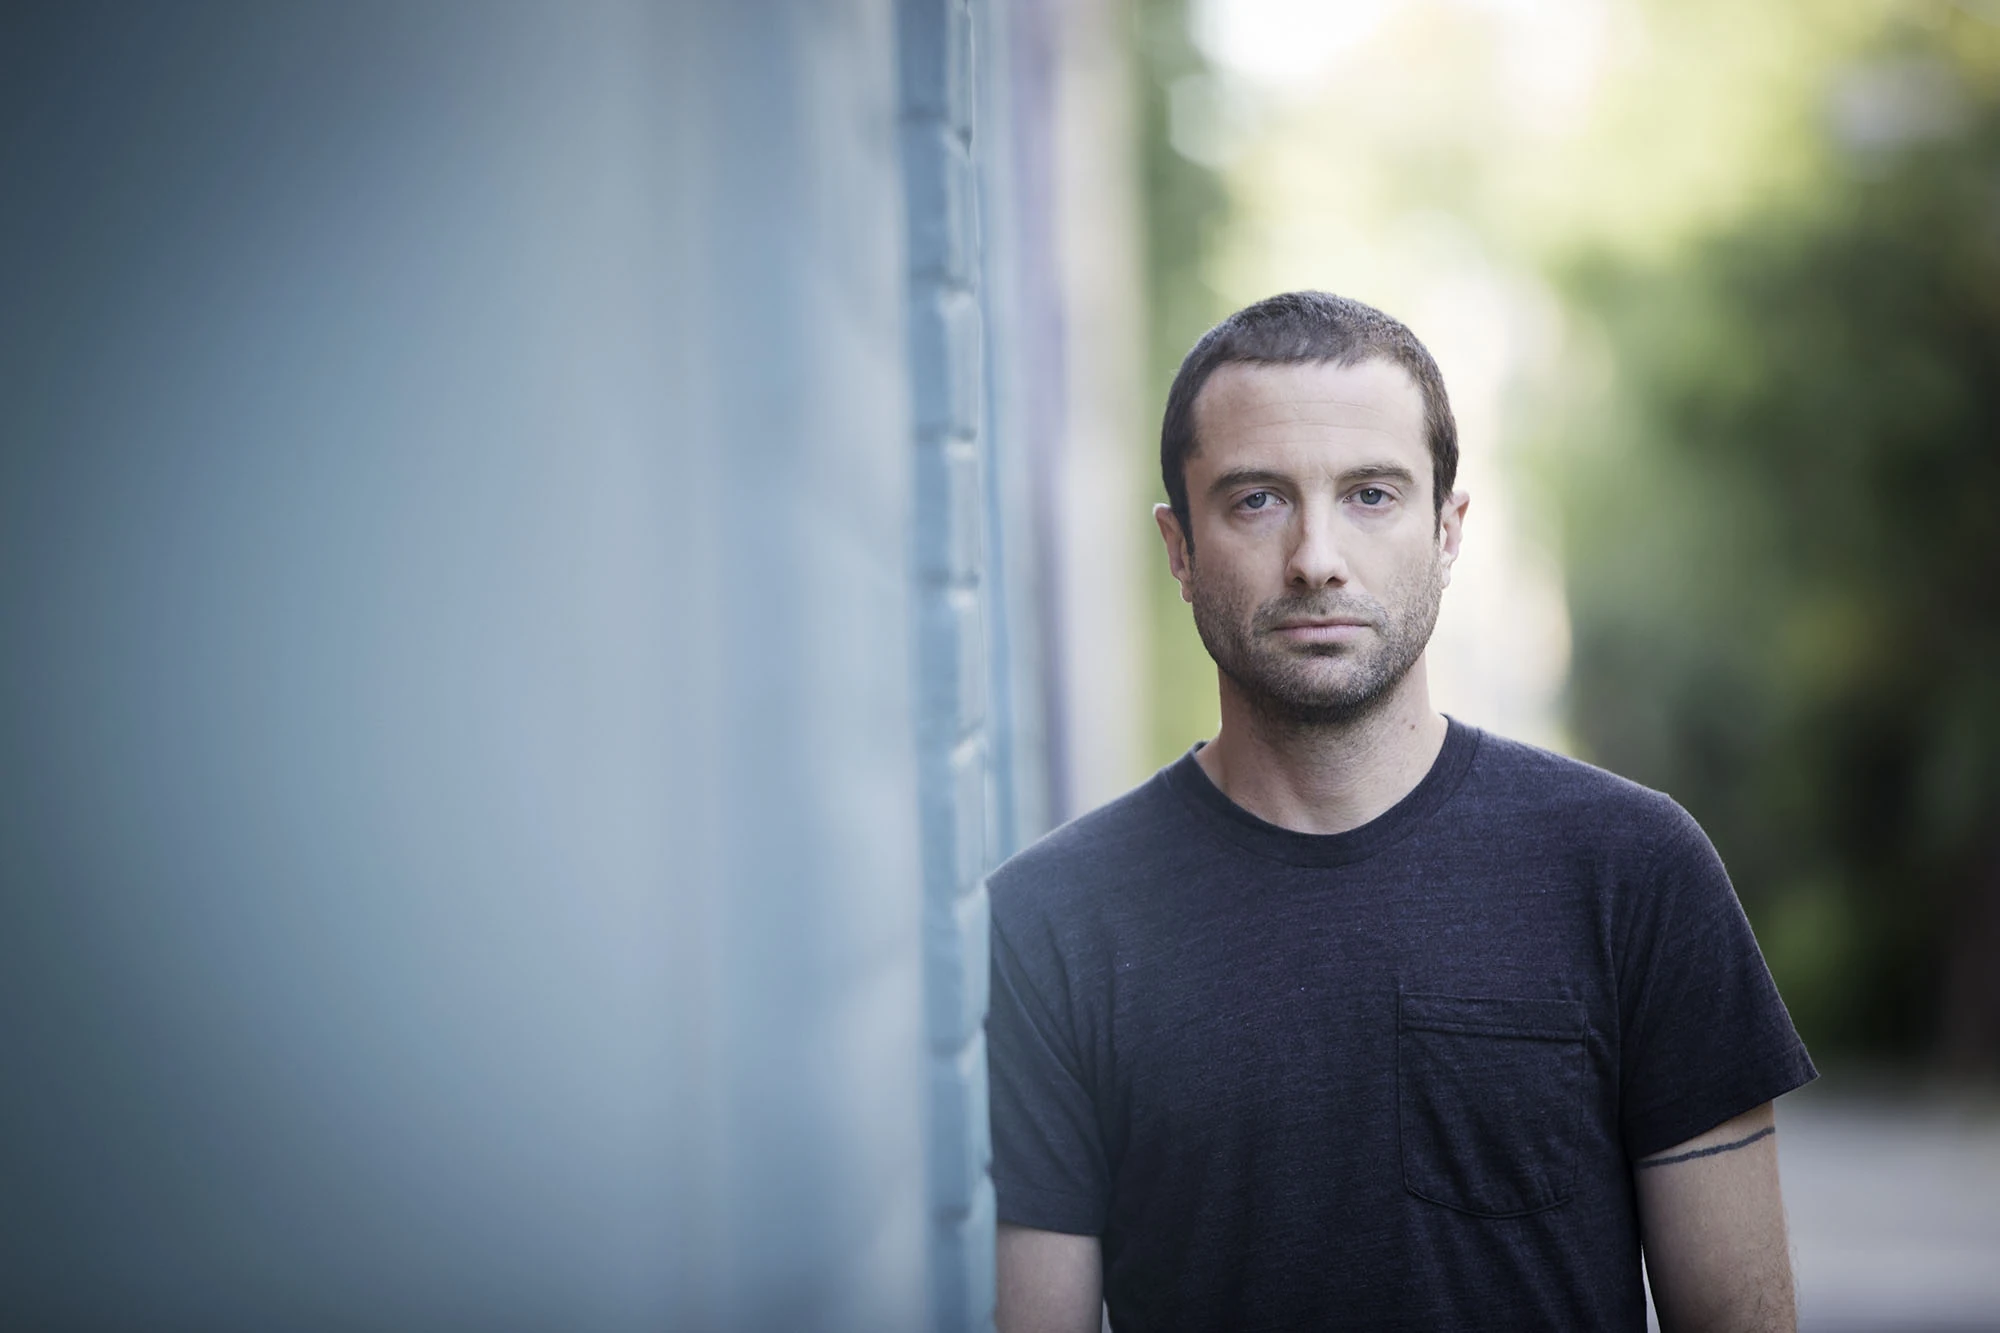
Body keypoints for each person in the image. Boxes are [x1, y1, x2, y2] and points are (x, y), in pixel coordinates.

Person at [986, 291, 1816, 1332]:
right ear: (1178, 546)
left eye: (1370, 495)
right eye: (1256, 499)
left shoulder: (1631, 870)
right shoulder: (1049, 925)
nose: (1315, 556)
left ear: (1447, 529)